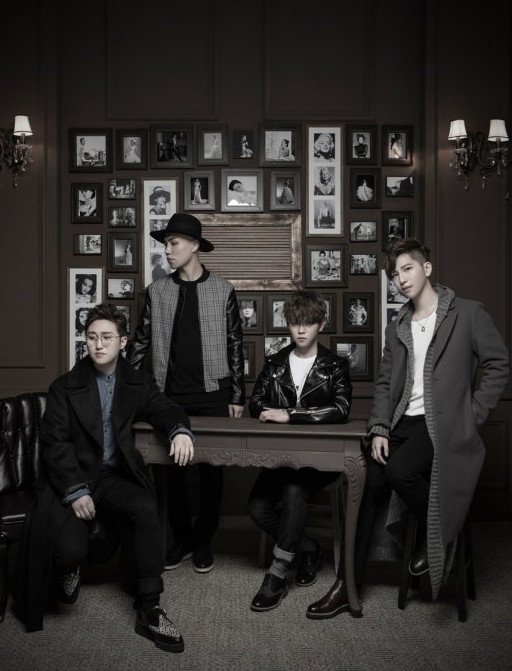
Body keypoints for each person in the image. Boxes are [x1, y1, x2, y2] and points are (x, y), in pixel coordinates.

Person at [306, 238, 509, 620]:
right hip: (402, 422)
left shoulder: (468, 313)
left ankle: (436, 536)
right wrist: (380, 427)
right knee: (364, 485)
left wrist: (472, 415)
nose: (400, 279)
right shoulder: (397, 325)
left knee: (400, 471)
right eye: (394, 274)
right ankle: (347, 585)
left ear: (426, 268)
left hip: (443, 425)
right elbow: (385, 383)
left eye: (407, 269)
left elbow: (498, 365)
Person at [14, 304, 194, 652]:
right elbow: (55, 444)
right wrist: (76, 491)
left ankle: (150, 608)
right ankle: (69, 569)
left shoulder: (138, 381)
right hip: (71, 478)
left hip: (112, 477)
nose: (98, 344)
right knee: (69, 553)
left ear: (122, 342)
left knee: (145, 509)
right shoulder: (64, 387)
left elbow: (163, 407)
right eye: (92, 337)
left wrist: (179, 431)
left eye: (107, 337)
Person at [126, 213, 245, 574]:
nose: (167, 250)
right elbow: (141, 341)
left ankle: (204, 539)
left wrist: (237, 396)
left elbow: (235, 344)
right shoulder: (158, 291)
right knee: (171, 471)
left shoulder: (222, 289)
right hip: (168, 395)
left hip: (213, 392)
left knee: (212, 470)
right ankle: (182, 538)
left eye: (173, 243)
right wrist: (125, 388)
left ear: (194, 246)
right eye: (165, 244)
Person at [247, 291, 352, 612]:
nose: (302, 329)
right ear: (289, 325)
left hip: (321, 460)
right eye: (295, 323)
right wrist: (274, 412)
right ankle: (308, 547)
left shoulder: (335, 365)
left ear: (321, 324)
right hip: (281, 458)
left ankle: (277, 573)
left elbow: (341, 409)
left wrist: (290, 414)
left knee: (294, 490)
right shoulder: (275, 363)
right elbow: (255, 403)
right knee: (257, 508)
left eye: (309, 322)